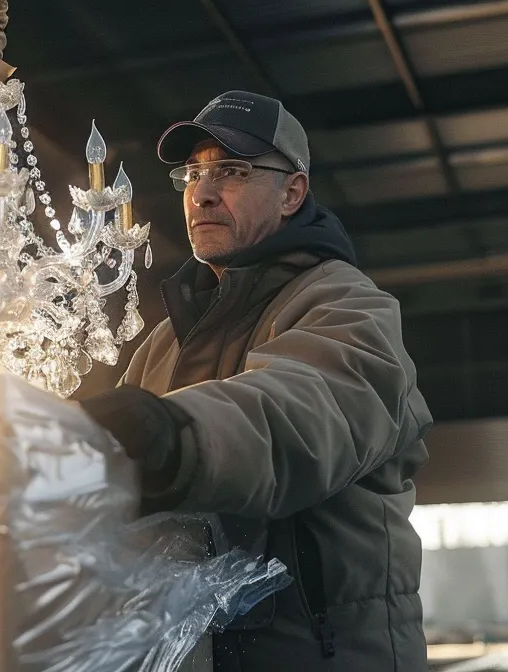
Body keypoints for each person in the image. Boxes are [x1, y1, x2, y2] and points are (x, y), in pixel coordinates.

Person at [78, 90, 433, 671]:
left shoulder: (348, 307)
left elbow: (300, 417)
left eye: (233, 171)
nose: (204, 191)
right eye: (193, 173)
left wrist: (170, 433)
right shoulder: (165, 342)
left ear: (293, 192)